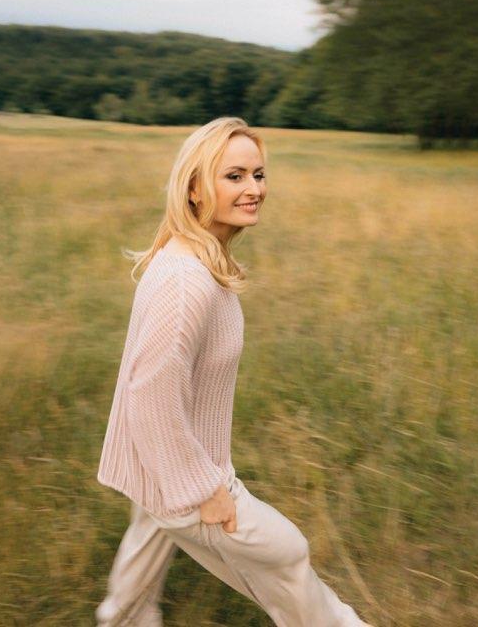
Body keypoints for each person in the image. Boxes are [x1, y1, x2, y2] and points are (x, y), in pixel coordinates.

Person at [95, 117, 373, 626]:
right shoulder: (186, 281)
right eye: (235, 176)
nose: (254, 189)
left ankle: (122, 618)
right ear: (195, 189)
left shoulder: (196, 260)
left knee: (152, 528)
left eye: (258, 175)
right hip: (187, 473)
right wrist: (206, 492)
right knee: (286, 555)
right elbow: (150, 395)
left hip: (163, 462)